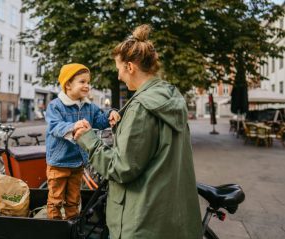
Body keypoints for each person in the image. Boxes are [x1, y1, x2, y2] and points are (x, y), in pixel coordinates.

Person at [74, 25, 202, 238]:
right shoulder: (169, 97)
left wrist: (88, 139)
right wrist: (123, 125)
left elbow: (122, 168)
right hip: (168, 216)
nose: (118, 76)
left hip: (141, 220)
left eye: (119, 69)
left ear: (130, 67)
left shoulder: (141, 107)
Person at [45, 63, 120, 220]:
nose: (87, 85)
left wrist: (110, 115)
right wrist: (73, 126)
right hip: (58, 162)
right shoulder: (55, 106)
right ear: (68, 85)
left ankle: (72, 225)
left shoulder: (89, 106)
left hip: (78, 162)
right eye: (82, 82)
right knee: (56, 199)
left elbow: (98, 120)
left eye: (88, 82)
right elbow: (54, 126)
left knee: (73, 199)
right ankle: (54, 227)